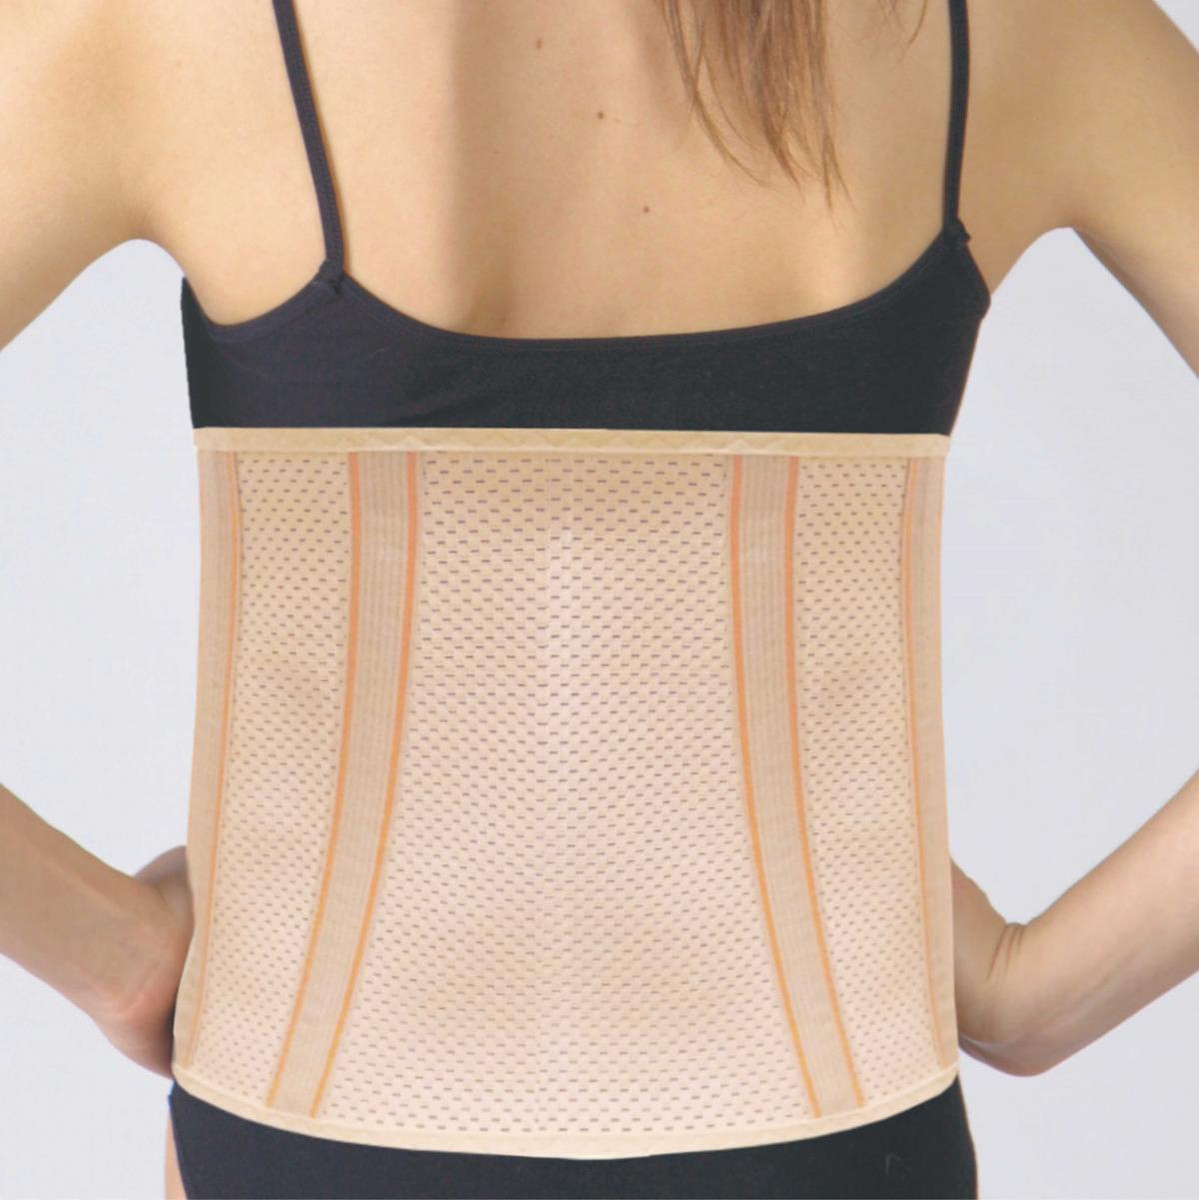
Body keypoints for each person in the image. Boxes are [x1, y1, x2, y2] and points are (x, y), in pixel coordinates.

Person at [1, 0, 1196, 1197]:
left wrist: (121, 958)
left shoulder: (163, 28)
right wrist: (1030, 998)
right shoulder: (1016, 27)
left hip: (303, 1138)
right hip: (839, 1144)